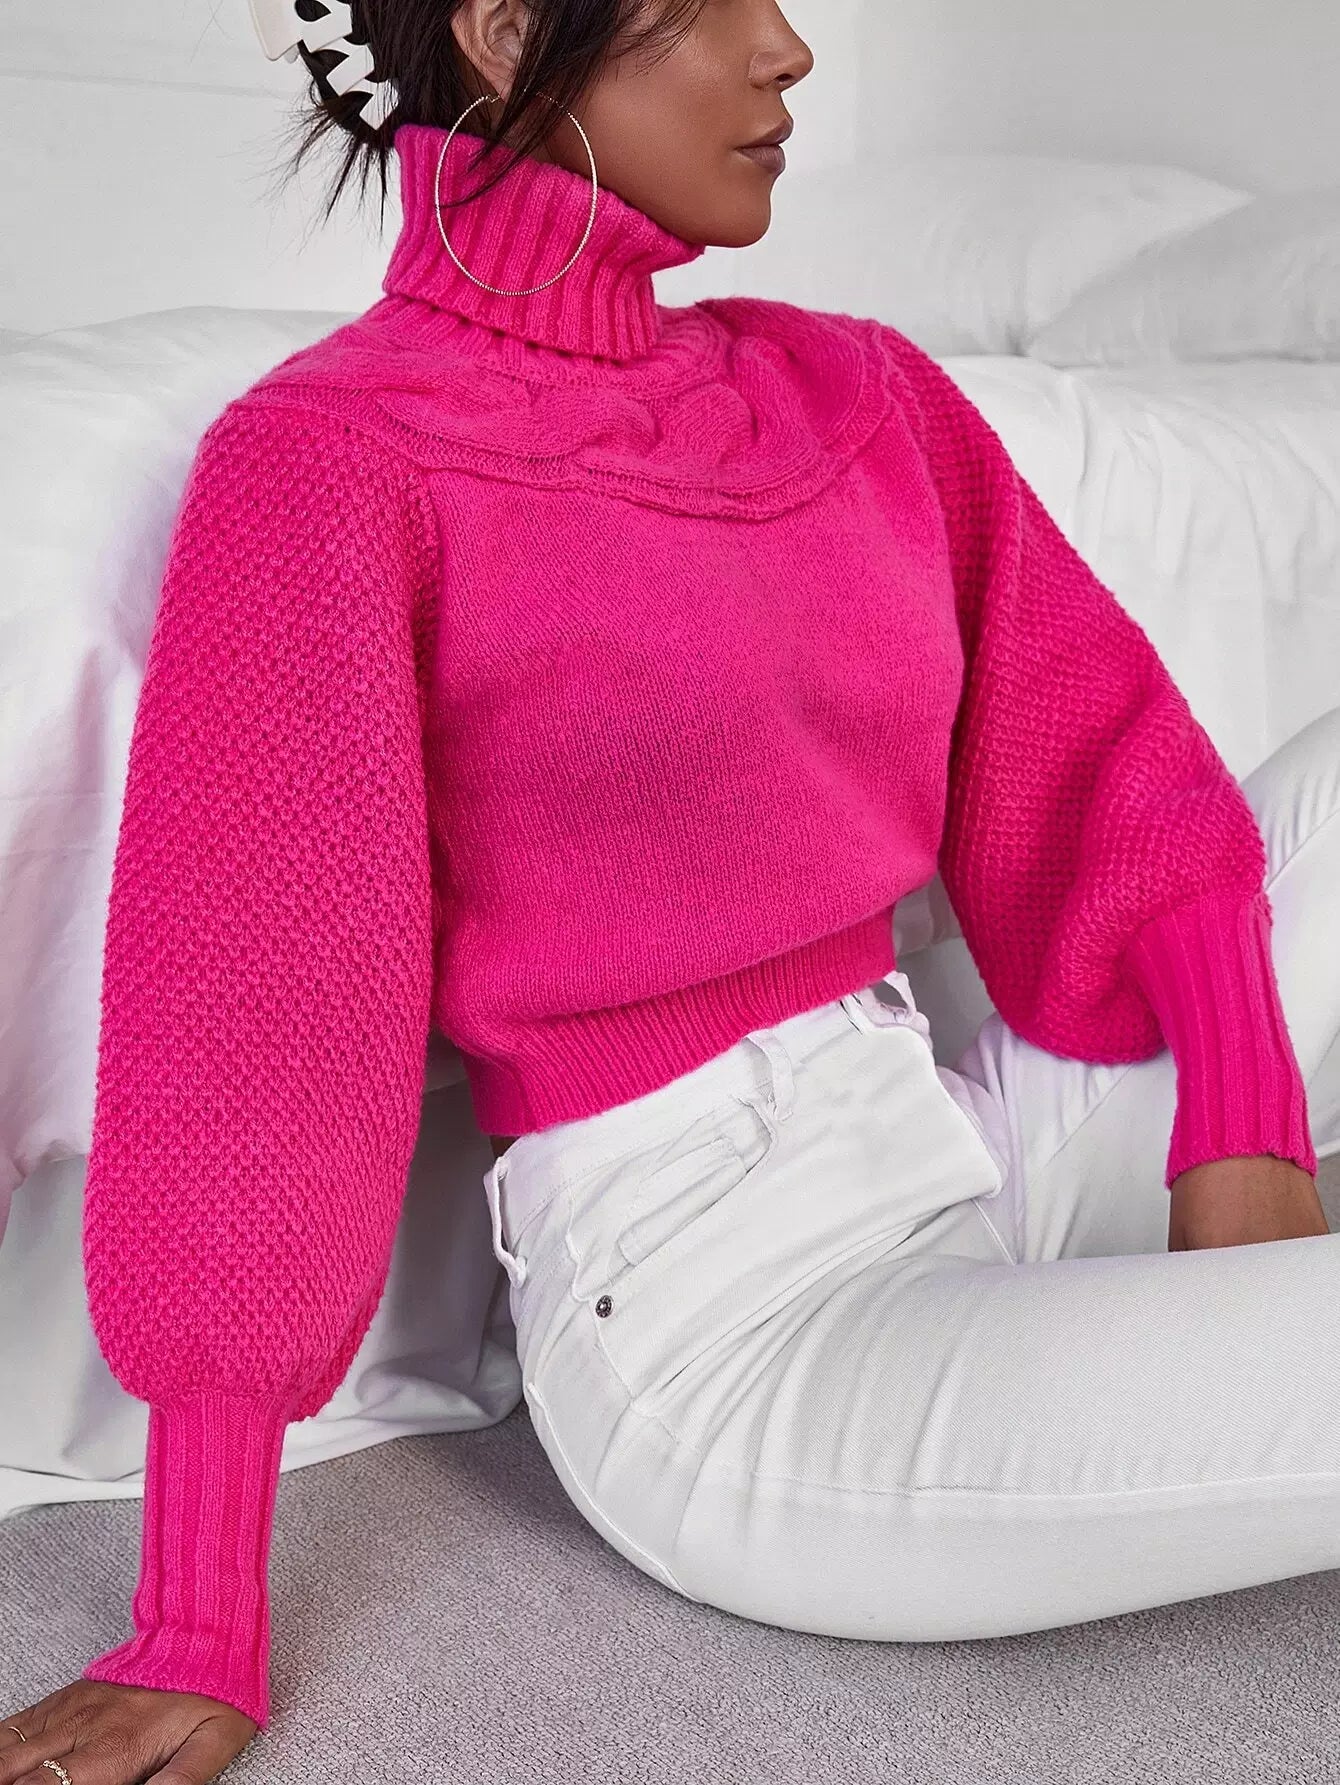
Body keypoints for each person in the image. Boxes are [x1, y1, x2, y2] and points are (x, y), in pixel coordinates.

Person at [4, 0, 1337, 1778]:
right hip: (739, 1334)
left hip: (962, 1130)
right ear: (502, 32)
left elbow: (1106, 751)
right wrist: (194, 1617)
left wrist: (1242, 1132)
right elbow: (259, 1024)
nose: (789, 49)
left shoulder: (851, 388)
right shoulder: (333, 456)